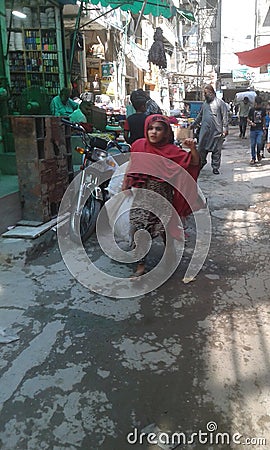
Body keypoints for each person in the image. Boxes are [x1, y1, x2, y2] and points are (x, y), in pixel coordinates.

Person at [122, 114, 202, 277]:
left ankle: (170, 257)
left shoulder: (172, 152)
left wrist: (193, 149)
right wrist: (125, 183)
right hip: (142, 197)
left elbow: (193, 164)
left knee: (166, 230)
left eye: (158, 129)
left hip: (163, 197)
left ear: (166, 132)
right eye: (150, 128)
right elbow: (132, 163)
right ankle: (140, 265)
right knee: (139, 228)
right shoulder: (138, 145)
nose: (153, 132)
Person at [190, 85, 228, 175]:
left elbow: (225, 117)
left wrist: (225, 129)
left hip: (217, 132)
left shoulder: (220, 103)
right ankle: (201, 163)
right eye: (204, 93)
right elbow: (200, 116)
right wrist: (194, 124)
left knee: (216, 150)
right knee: (202, 149)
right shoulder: (205, 104)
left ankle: (215, 167)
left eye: (206, 93)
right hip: (205, 132)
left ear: (212, 93)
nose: (205, 95)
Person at [247, 96, 266, 164]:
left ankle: (258, 153)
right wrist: (251, 122)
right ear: (255, 103)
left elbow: (263, 118)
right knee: (252, 144)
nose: (257, 105)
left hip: (260, 129)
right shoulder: (252, 109)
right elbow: (248, 118)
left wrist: (264, 127)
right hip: (253, 130)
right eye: (256, 104)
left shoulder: (263, 110)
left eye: (259, 104)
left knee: (259, 143)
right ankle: (253, 158)